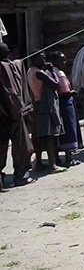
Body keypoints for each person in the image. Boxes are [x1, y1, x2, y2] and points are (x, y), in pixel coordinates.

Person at [0, 42, 34, 188]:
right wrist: (18, 110)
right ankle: (20, 177)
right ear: (7, 52)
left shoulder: (14, 64)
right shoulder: (7, 67)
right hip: (12, 113)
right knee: (21, 146)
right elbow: (11, 92)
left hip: (6, 113)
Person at [27, 52, 64, 173]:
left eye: (44, 58)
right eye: (40, 59)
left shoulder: (30, 71)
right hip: (45, 105)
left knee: (38, 135)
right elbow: (56, 84)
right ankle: (52, 165)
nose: (43, 61)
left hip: (36, 103)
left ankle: (38, 163)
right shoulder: (40, 73)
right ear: (34, 60)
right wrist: (52, 70)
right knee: (49, 136)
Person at [48, 51, 81, 166]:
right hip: (65, 103)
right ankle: (69, 158)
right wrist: (73, 93)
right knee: (69, 128)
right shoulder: (59, 73)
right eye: (62, 60)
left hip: (57, 103)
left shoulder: (50, 73)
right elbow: (64, 91)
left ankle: (57, 158)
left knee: (61, 130)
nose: (64, 63)